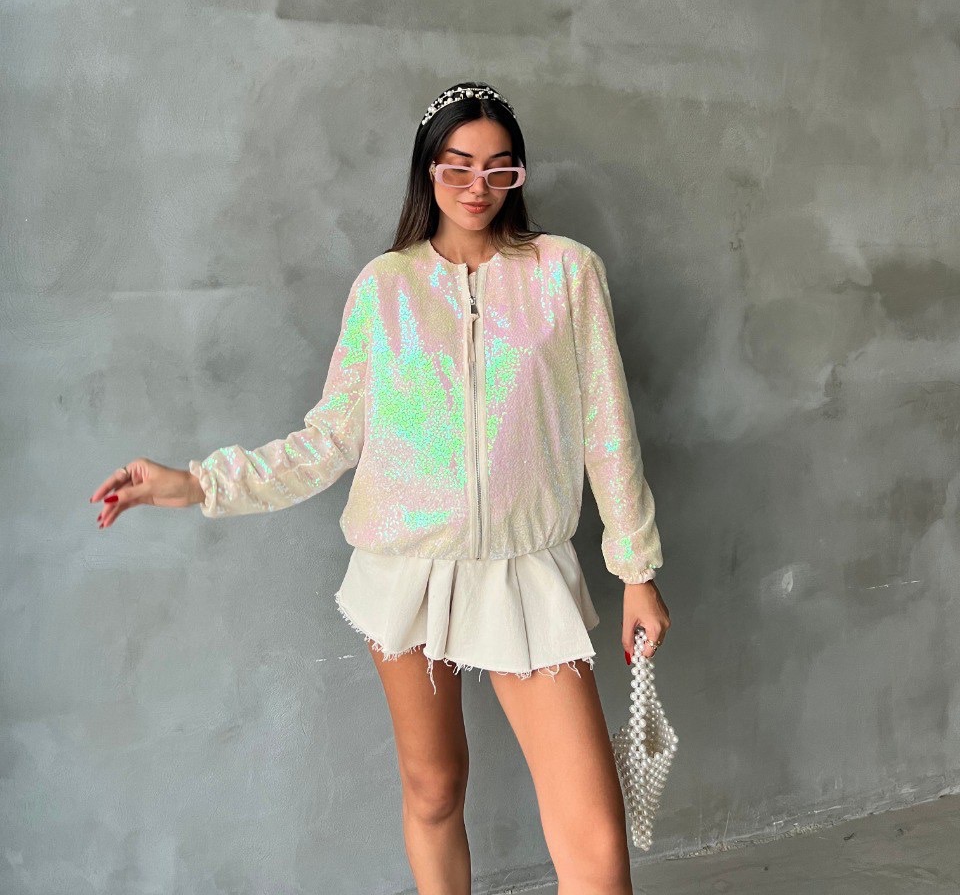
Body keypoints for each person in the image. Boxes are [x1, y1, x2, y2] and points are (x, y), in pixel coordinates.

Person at [90, 80, 671, 894]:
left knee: (596, 837)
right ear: (427, 169)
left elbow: (609, 428)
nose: (477, 186)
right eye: (457, 165)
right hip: (405, 569)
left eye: (499, 168)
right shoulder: (385, 287)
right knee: (435, 787)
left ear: (518, 175)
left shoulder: (566, 273)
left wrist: (636, 571)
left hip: (526, 567)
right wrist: (195, 483)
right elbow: (330, 438)